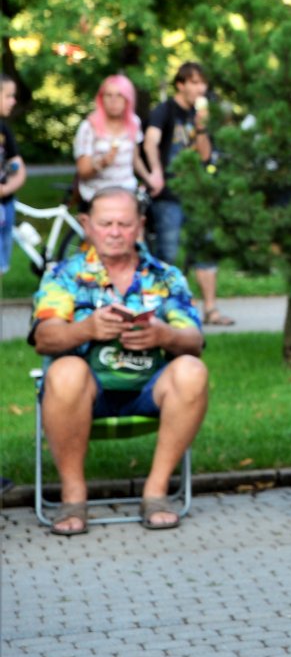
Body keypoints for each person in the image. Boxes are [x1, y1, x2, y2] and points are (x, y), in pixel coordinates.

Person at [31, 188, 207, 535]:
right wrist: (87, 329)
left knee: (192, 370)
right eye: (106, 223)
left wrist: (163, 335)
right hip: (84, 394)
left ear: (139, 226)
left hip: (149, 388)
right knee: (65, 369)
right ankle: (73, 498)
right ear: (87, 225)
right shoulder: (65, 275)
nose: (114, 231)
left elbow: (194, 341)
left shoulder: (164, 276)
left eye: (124, 224)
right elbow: (44, 338)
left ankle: (156, 494)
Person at [141, 62, 228, 325]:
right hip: (169, 194)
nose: (200, 88)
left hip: (197, 193)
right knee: (167, 252)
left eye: (203, 83)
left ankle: (211, 309)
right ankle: (163, 311)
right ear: (181, 84)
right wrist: (156, 172)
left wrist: (201, 128)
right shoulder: (164, 111)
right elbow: (150, 142)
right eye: (194, 82)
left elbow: (205, 156)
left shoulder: (202, 115)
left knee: (206, 248)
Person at [73, 75, 157, 209]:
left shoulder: (134, 123)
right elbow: (83, 171)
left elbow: (135, 159)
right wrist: (102, 162)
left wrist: (150, 179)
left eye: (119, 95)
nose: (114, 101)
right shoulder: (89, 127)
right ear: (101, 98)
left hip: (127, 192)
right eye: (109, 95)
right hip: (97, 195)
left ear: (128, 99)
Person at [0, 73, 24, 273]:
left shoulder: (4, 130)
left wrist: (6, 189)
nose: (13, 101)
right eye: (8, 96)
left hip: (5, 205)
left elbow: (19, 168)